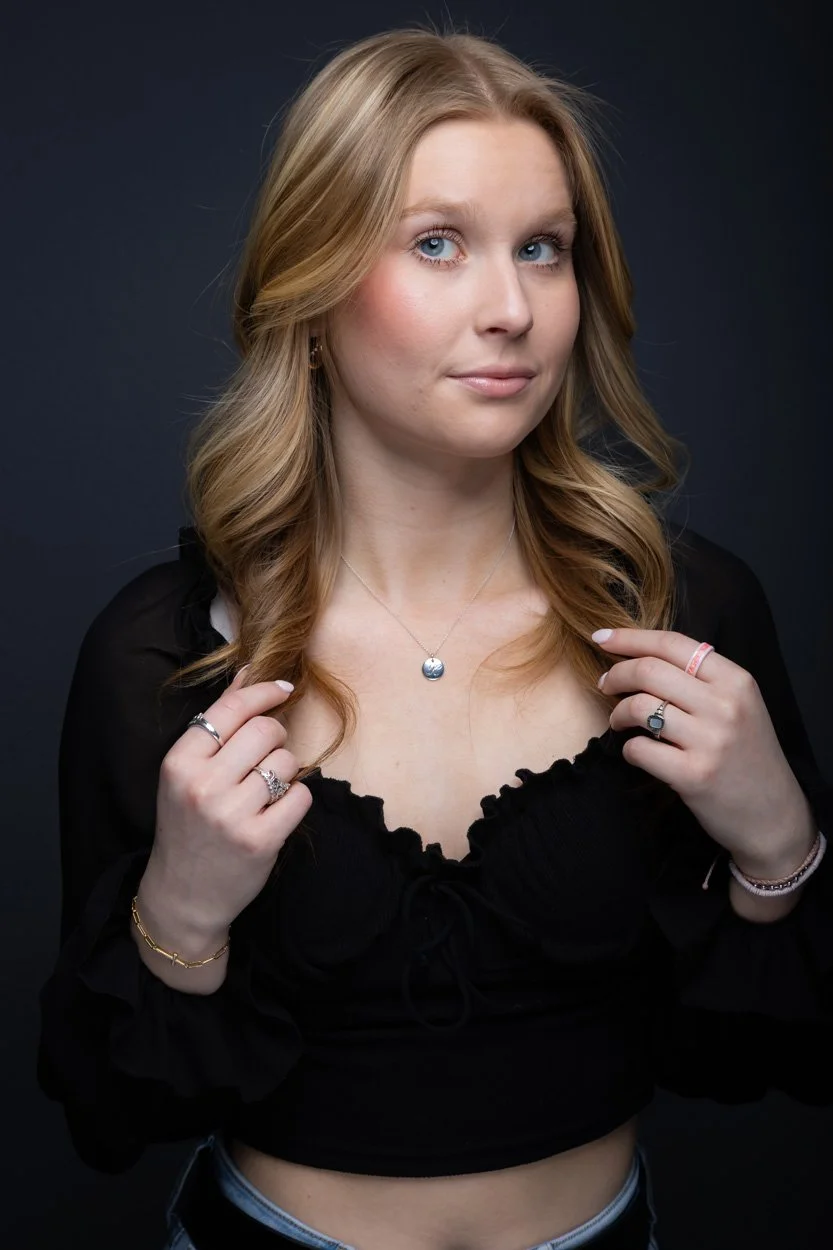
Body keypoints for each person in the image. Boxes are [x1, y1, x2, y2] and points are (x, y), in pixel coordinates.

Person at [36, 24, 833, 1250]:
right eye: (437, 244)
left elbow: (753, 1058)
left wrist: (779, 849)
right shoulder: (162, 658)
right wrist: (179, 917)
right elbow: (114, 1107)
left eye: (543, 249)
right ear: (311, 278)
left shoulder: (687, 620)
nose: (511, 307)